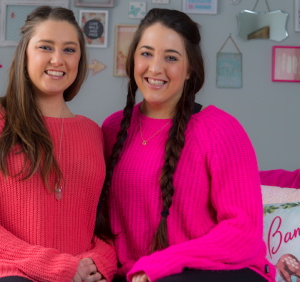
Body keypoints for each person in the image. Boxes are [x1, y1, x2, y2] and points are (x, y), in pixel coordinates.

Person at [98, 9, 276, 282]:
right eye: (146, 53)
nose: (155, 68)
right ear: (132, 59)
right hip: (139, 275)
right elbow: (101, 225)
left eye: (171, 57)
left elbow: (243, 231)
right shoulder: (112, 130)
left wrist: (162, 262)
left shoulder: (220, 130)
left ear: (190, 68)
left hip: (222, 271)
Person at [0, 6, 117, 282]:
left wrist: (96, 264)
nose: (58, 59)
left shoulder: (93, 133)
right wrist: (54, 266)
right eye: (45, 47)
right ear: (25, 54)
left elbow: (104, 224)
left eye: (70, 50)